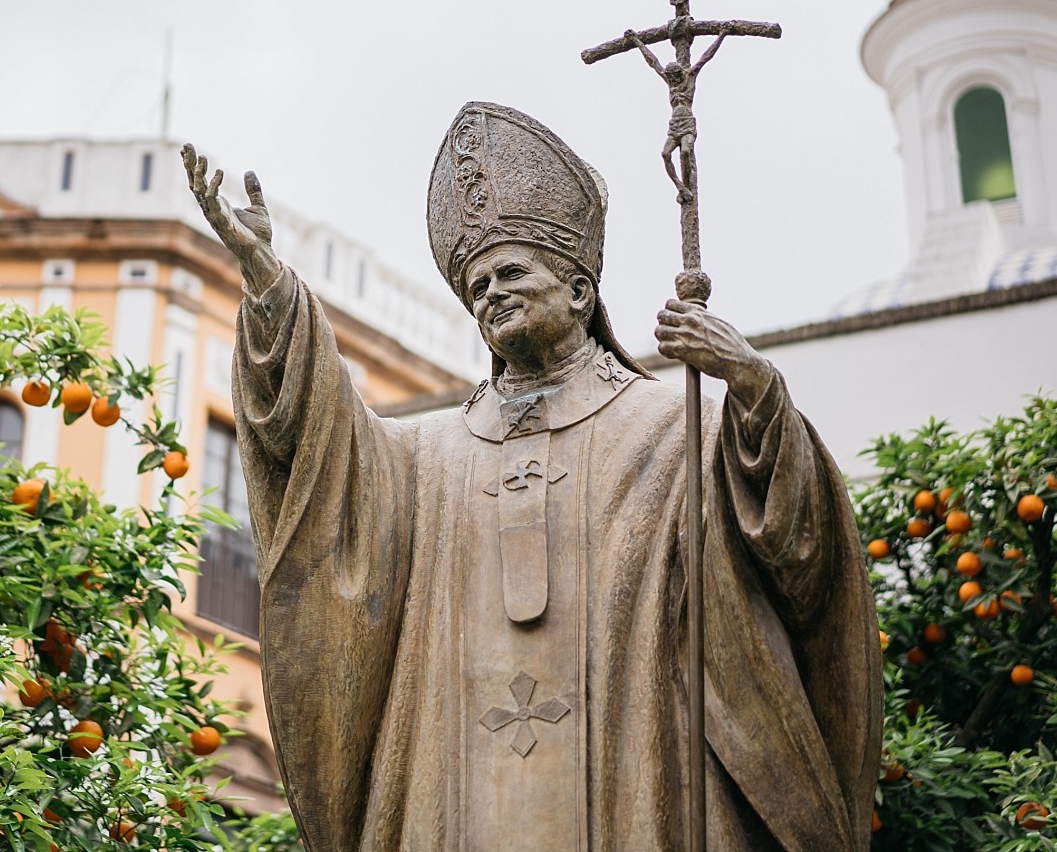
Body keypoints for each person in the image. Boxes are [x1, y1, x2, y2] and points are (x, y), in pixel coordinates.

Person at [182, 100, 880, 852]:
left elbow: (798, 550)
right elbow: (325, 448)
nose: (491, 294)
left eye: (510, 272)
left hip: (638, 786)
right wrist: (269, 288)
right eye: (476, 287)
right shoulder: (427, 459)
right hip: (450, 798)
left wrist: (753, 389)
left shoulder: (680, 426)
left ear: (580, 292)